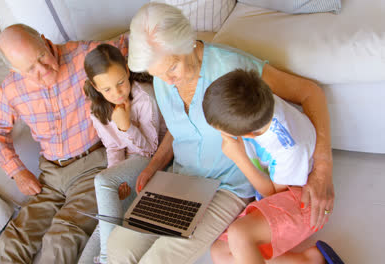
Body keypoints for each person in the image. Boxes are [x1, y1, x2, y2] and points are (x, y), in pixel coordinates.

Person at [105, 3, 334, 264]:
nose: (167, 80)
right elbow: (179, 128)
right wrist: (154, 166)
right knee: (118, 248)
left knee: (158, 260)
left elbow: (309, 92)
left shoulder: (232, 69)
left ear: (188, 41)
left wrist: (323, 169)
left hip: (227, 187)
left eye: (172, 68)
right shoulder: (162, 79)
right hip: (179, 180)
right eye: (157, 74)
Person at [0, 24, 127, 263]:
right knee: (13, 240)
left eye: (41, 56)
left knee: (62, 237)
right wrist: (17, 171)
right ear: (14, 69)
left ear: (43, 39)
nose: (43, 69)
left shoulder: (84, 55)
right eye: (30, 69)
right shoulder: (12, 89)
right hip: (50, 175)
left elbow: (127, 47)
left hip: (92, 165)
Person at [204, 69, 341, 264]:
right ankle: (311, 260)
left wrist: (239, 157)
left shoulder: (288, 148)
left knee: (239, 234)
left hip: (303, 201)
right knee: (220, 252)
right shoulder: (259, 101)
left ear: (249, 134)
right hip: (282, 198)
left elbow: (274, 194)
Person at [82, 44, 166, 263]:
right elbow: (113, 148)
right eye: (107, 89)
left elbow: (150, 151)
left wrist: (126, 126)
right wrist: (116, 178)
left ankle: (107, 259)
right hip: (129, 164)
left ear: (127, 71)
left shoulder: (144, 98)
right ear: (96, 86)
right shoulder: (97, 109)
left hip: (153, 161)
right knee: (105, 221)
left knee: (101, 181)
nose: (117, 93)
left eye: (121, 83)